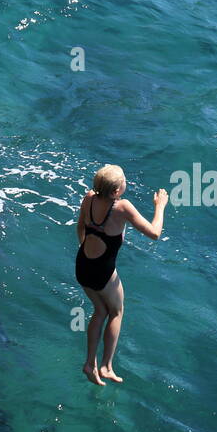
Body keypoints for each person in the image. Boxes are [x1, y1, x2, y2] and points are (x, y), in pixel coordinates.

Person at [75, 164, 168, 386]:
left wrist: (89, 252)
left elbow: (80, 227)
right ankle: (106, 366)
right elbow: (154, 233)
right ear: (116, 191)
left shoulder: (88, 198)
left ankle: (90, 363)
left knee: (100, 310)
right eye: (124, 180)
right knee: (116, 311)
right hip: (102, 272)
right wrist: (160, 206)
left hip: (83, 265)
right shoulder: (122, 207)